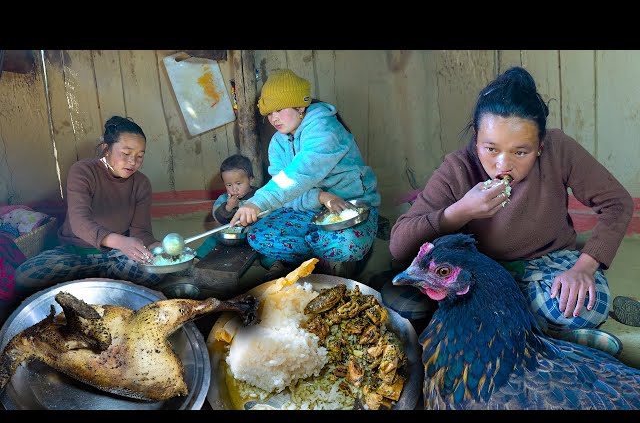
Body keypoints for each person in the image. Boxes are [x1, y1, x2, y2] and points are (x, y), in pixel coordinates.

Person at [389, 66, 637, 333]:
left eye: (521, 152)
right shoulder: (458, 168)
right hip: (483, 271)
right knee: (405, 306)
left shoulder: (559, 149)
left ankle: (502, 326)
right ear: (476, 138)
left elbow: (617, 203)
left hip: (550, 262)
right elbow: (399, 245)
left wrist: (585, 267)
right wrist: (461, 211)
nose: (502, 165)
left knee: (585, 306)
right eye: (491, 148)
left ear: (540, 146)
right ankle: (533, 332)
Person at [229, 68, 381, 281]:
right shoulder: (278, 143)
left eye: (280, 110)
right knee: (259, 236)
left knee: (347, 245)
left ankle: (322, 259)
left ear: (301, 106)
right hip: (306, 209)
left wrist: (258, 202)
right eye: (270, 113)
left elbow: (299, 173)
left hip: (348, 207)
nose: (274, 118)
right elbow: (286, 191)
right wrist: (321, 197)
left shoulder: (324, 129)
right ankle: (322, 257)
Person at [15, 115, 162, 292]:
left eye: (139, 156)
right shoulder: (83, 171)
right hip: (75, 253)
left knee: (155, 271)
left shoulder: (141, 183)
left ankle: (90, 285)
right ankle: (109, 284)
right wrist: (121, 242)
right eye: (126, 153)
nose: (133, 162)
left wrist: (158, 248)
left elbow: (141, 232)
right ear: (106, 149)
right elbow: (79, 223)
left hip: (116, 256)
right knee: (25, 275)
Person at [195, 154, 259, 258]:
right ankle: (197, 258)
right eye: (229, 185)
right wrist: (228, 207)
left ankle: (275, 265)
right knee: (212, 239)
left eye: (238, 183)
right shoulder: (224, 199)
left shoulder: (260, 196)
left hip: (253, 235)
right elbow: (218, 218)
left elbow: (268, 214)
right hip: (230, 237)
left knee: (266, 244)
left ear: (250, 179)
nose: (234, 189)